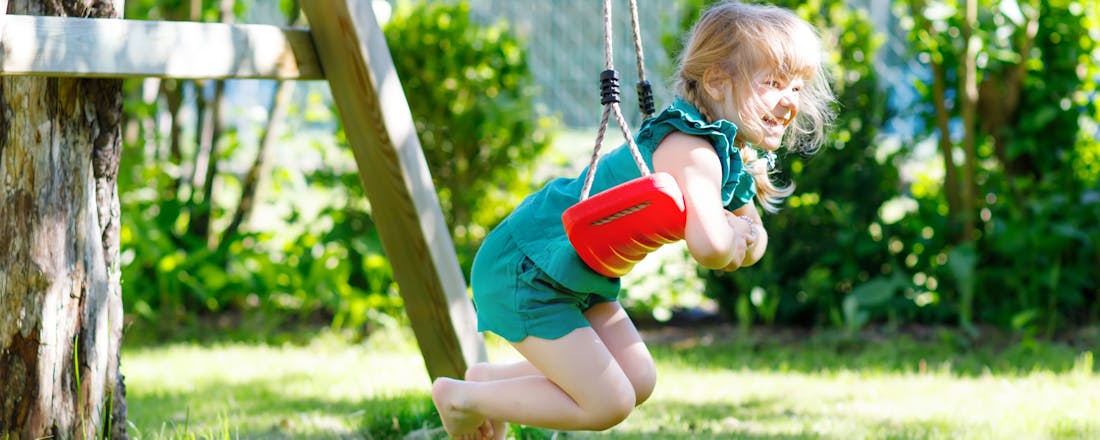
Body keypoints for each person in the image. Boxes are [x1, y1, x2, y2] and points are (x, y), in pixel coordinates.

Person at [432, 1, 836, 438]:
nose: (790, 102)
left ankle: (486, 384)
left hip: (578, 273)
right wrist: (736, 235)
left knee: (638, 379)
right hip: (530, 266)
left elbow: (752, 241)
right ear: (717, 81)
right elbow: (713, 247)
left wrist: (743, 234)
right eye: (774, 83)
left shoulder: (726, 156)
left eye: (797, 88)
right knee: (609, 402)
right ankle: (460, 399)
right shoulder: (693, 151)